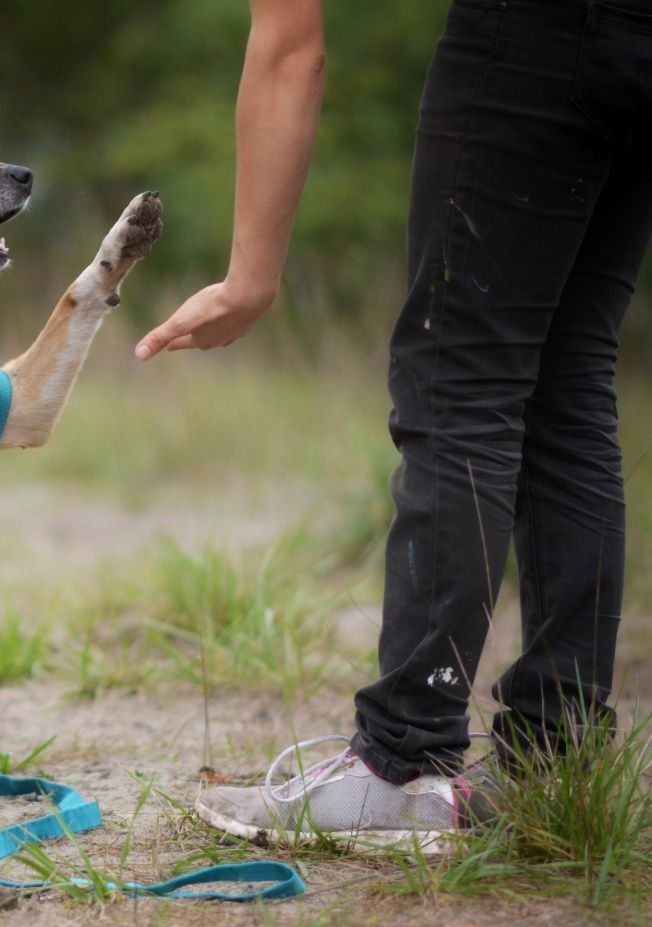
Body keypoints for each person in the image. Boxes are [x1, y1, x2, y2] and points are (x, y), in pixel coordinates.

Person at [143, 0, 652, 848]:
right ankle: (557, 760)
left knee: (459, 382)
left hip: (532, 40)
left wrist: (250, 278)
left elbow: (289, 47)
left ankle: (403, 760)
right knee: (568, 384)